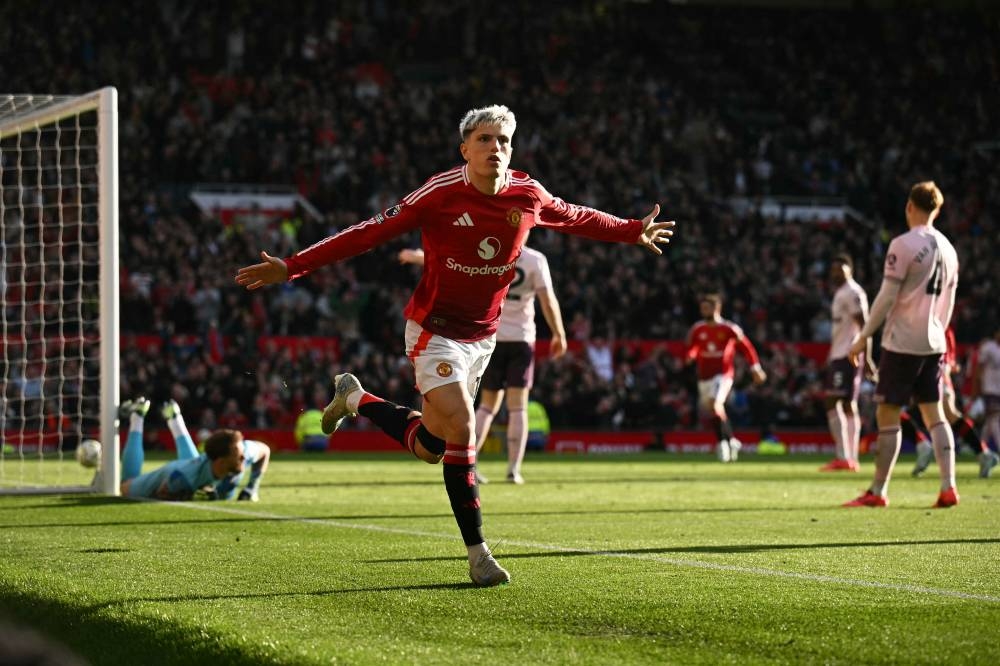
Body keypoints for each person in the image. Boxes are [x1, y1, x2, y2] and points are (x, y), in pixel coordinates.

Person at [235, 104, 674, 586]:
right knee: (464, 426)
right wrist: (293, 265)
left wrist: (633, 229)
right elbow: (369, 232)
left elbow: (576, 216)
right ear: (465, 148)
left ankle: (356, 397)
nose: (495, 148)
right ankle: (478, 554)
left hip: (482, 339)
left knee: (430, 446)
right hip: (434, 331)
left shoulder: (528, 195)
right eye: (485, 139)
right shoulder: (439, 193)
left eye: (503, 140)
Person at [398, 242, 567, 484]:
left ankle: (470, 465)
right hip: (521, 339)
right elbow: (548, 300)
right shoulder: (535, 260)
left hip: (491, 336)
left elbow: (453, 265)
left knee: (487, 406)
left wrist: (417, 257)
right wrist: (559, 333)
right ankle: (513, 470)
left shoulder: (494, 256)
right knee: (518, 407)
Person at [844, 181, 959, 508]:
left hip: (903, 341)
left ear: (910, 206)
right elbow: (948, 304)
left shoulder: (903, 244)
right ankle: (948, 487)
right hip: (934, 340)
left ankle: (878, 491)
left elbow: (887, 296)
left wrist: (864, 336)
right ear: (936, 209)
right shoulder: (949, 249)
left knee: (888, 414)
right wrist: (939, 332)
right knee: (934, 415)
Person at [117, 398, 271, 501]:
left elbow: (265, 450)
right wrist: (191, 497)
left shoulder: (244, 452)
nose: (244, 458)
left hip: (195, 467)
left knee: (193, 466)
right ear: (220, 460)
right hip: (171, 473)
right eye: (238, 455)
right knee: (125, 486)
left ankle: (175, 417)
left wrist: (251, 488)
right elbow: (162, 493)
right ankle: (138, 416)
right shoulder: (183, 478)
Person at [685, 293, 766, 462]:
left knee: (715, 404)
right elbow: (693, 347)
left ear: (716, 309)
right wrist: (691, 355)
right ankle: (731, 440)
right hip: (704, 377)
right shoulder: (698, 329)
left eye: (706, 308)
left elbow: (746, 347)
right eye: (702, 308)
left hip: (723, 375)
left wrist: (755, 368)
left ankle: (722, 444)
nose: (703, 311)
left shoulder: (729, 328)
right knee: (714, 410)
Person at [910, 326, 998, 478]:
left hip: (935, 377)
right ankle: (983, 453)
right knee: (947, 415)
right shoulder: (934, 323)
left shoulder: (939, 326)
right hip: (931, 377)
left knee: (894, 409)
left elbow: (948, 362)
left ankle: (923, 446)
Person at [820, 254, 875, 472]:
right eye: (833, 270)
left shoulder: (852, 293)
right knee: (847, 405)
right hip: (839, 354)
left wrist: (867, 356)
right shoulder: (841, 293)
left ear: (850, 270)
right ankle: (850, 458)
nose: (836, 274)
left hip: (848, 354)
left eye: (840, 270)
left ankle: (845, 457)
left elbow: (865, 326)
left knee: (833, 402)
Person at [973, 325, 1000, 463]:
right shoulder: (988, 347)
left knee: (990, 421)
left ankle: (980, 449)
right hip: (989, 388)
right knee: (994, 417)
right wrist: (976, 388)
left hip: (998, 389)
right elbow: (979, 368)